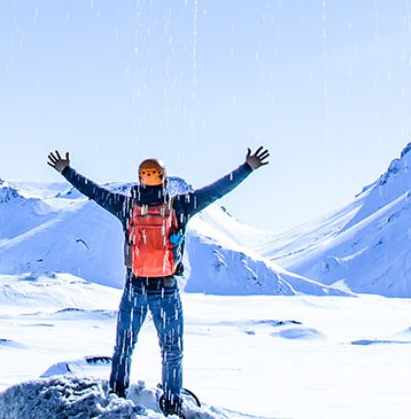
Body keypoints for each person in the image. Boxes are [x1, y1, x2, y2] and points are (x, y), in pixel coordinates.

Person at [46, 146, 270, 417]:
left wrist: (66, 171)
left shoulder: (127, 206)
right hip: (166, 289)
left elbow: (94, 192)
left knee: (124, 347)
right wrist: (247, 167)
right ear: (164, 179)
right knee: (172, 350)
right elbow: (216, 191)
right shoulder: (180, 205)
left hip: (135, 287)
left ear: (140, 179)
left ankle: (117, 395)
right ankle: (172, 404)